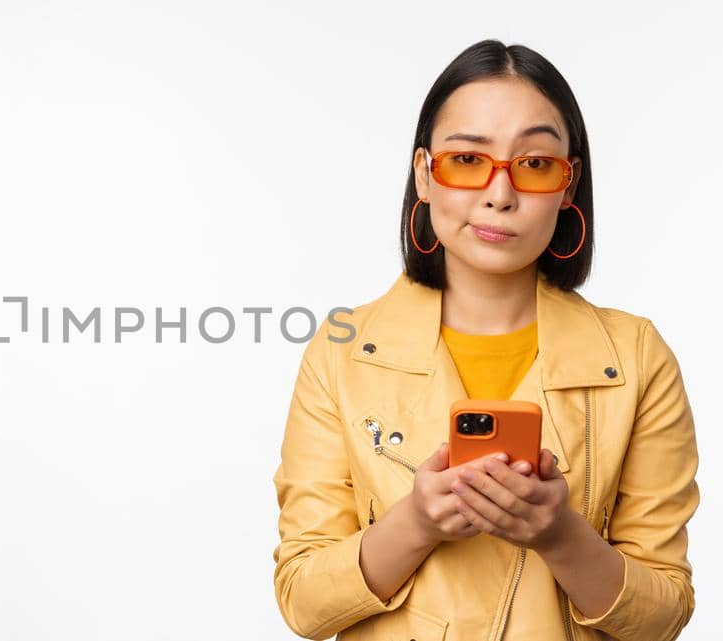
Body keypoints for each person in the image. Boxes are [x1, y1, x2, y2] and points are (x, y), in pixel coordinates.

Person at [271, 39, 700, 641]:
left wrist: (560, 535)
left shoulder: (633, 357)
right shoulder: (342, 352)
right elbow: (304, 602)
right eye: (468, 161)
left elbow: (662, 615)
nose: (500, 193)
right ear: (424, 175)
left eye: (535, 163)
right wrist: (417, 522)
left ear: (568, 186)